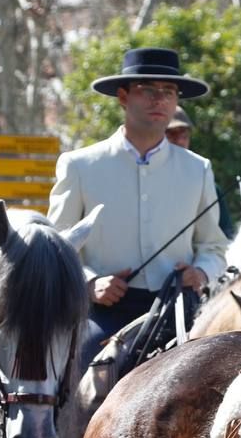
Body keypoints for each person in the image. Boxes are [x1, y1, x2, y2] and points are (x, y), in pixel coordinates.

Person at [47, 48, 228, 372]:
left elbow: (213, 246)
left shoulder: (197, 169)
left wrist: (201, 272)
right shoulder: (79, 165)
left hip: (179, 311)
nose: (159, 100)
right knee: (85, 384)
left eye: (168, 92)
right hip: (104, 313)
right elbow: (58, 247)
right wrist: (90, 284)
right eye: (148, 90)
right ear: (123, 96)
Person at [166, 105, 234, 237]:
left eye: (184, 135)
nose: (180, 140)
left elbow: (225, 236)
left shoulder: (208, 186)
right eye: (171, 134)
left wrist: (202, 257)